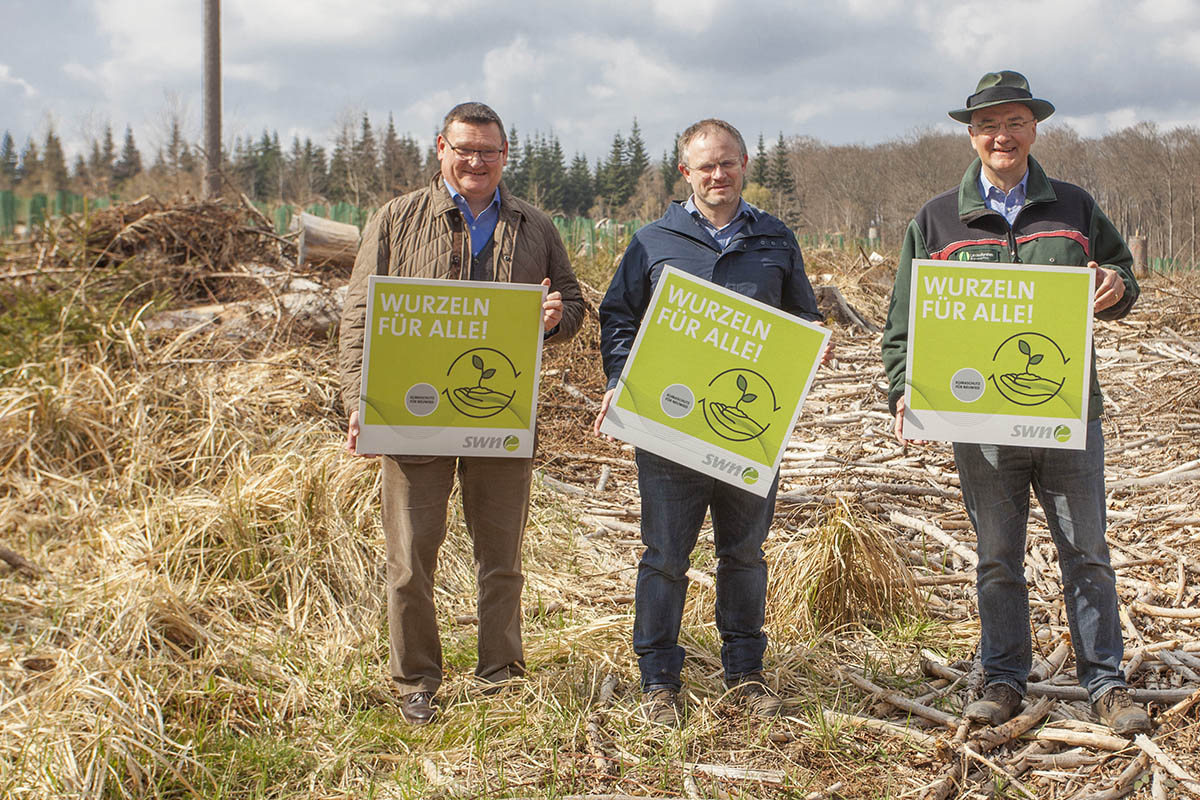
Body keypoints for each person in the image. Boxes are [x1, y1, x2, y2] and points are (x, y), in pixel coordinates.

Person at [881, 71, 1150, 735]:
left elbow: (1123, 279)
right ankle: (1003, 679)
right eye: (989, 125)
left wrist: (1116, 285)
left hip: (1067, 415)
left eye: (1016, 122)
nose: (1003, 135)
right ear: (971, 135)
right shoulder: (938, 218)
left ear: (1034, 129)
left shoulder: (1077, 208)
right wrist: (901, 388)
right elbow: (902, 324)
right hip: (978, 422)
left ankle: (1105, 683)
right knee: (998, 556)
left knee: (1086, 551)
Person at [339, 101, 584, 725]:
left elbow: (575, 303)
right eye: (465, 148)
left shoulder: (535, 226)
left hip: (499, 417)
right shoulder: (396, 220)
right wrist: (356, 402)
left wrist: (555, 320)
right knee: (411, 559)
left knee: (501, 556)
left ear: (506, 156)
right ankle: (416, 679)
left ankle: (499, 674)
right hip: (411, 415)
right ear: (440, 148)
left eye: (489, 151)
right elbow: (360, 316)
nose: (476, 161)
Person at [593, 118, 824, 726]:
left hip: (748, 428)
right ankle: (659, 680)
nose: (717, 175)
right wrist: (620, 381)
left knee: (744, 553)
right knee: (665, 554)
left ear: (744, 163)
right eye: (705, 166)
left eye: (727, 163)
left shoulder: (776, 239)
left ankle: (745, 673)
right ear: (685, 173)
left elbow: (804, 318)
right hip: (668, 432)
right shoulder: (652, 241)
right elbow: (617, 319)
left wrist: (806, 354)